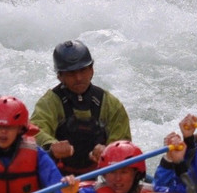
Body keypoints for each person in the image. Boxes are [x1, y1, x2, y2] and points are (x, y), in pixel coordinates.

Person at [30, 40, 132, 177]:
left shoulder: (110, 104)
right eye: (71, 73)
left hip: (101, 178)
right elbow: (35, 131)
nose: (78, 78)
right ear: (60, 76)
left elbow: (123, 142)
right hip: (59, 178)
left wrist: (109, 150)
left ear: (92, 70)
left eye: (83, 70)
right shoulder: (49, 102)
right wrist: (52, 145)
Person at [63, 140, 154, 193]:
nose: (117, 178)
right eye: (112, 172)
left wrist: (168, 161)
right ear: (104, 174)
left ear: (136, 174)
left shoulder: (152, 192)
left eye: (124, 172)